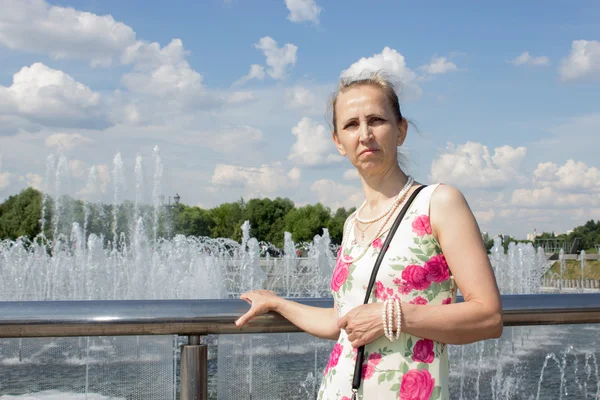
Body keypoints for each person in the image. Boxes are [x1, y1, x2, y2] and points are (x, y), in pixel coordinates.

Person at [235, 71, 503, 400]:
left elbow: (488, 316)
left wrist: (392, 315)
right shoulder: (352, 223)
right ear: (338, 142)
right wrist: (277, 303)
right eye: (351, 125)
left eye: (376, 120)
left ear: (401, 130)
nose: (365, 134)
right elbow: (342, 320)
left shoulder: (439, 202)